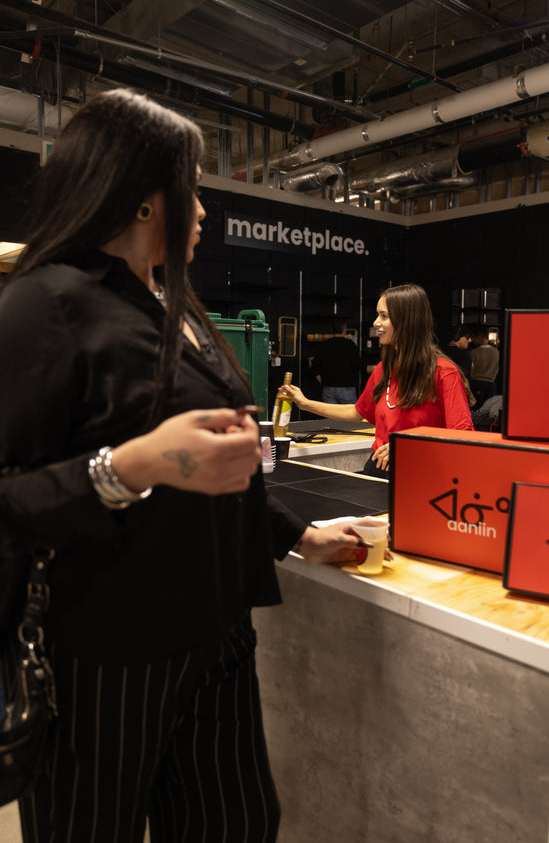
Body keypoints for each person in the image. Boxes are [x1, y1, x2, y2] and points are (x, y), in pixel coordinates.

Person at [0, 88, 363, 843]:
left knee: (238, 824)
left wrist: (300, 537)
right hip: (104, 656)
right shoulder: (45, 303)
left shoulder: (174, 305)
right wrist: (128, 467)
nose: (203, 211)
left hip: (218, 634)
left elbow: (216, 472)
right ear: (142, 199)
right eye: (191, 186)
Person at [281, 284, 473, 479]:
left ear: (407, 321)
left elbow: (462, 435)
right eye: (377, 315)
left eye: (384, 316)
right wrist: (305, 404)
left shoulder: (443, 373)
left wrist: (407, 445)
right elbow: (357, 412)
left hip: (420, 477)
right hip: (378, 472)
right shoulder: (384, 369)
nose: (375, 322)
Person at [312, 316, 362, 403]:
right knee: (350, 415)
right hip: (347, 387)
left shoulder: (324, 345)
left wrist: (323, 381)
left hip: (328, 387)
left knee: (330, 415)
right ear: (344, 329)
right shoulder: (350, 345)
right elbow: (357, 364)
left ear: (332, 329)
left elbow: (315, 366)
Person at [470, 325, 500, 409]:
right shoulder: (496, 352)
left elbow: (471, 369)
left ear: (479, 337)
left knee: (476, 408)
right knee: (489, 408)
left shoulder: (474, 352)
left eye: (474, 337)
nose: (473, 340)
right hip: (491, 383)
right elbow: (497, 368)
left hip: (476, 383)